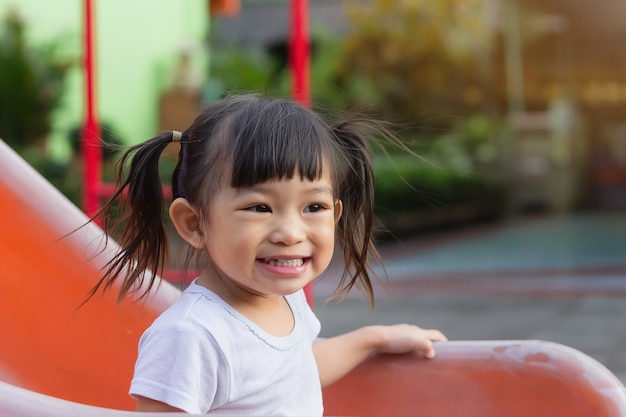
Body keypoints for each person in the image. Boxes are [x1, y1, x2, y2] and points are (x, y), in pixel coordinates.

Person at [89, 94, 447, 415]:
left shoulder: (286, 302)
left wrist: (373, 339)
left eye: (314, 206)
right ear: (195, 223)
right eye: (260, 207)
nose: (291, 233)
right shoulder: (191, 335)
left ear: (336, 215)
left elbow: (294, 373)